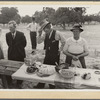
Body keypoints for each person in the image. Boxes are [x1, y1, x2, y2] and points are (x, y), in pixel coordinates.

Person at [34, 20, 66, 89]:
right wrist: (39, 34)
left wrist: (60, 50)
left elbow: (64, 42)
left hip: (55, 55)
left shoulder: (57, 33)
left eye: (46, 30)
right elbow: (39, 42)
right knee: (44, 69)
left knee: (53, 69)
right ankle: (41, 84)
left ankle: (52, 86)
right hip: (47, 54)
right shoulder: (45, 34)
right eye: (44, 30)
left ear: (49, 27)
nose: (45, 32)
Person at [6, 20, 27, 88]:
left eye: (11, 27)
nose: (10, 29)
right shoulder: (7, 35)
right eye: (9, 28)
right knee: (11, 67)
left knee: (20, 68)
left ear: (15, 27)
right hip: (11, 54)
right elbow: (8, 44)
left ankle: (19, 82)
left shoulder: (21, 34)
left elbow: (24, 44)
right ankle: (10, 81)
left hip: (20, 54)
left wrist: (18, 49)